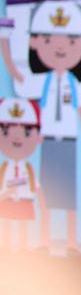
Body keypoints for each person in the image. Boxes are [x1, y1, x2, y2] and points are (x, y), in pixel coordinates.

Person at [12, 0, 81, 253]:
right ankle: (45, 240)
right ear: (35, 43)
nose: (59, 47)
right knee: (46, 193)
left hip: (69, 140)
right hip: (48, 141)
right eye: (49, 40)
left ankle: (71, 241)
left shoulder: (74, 82)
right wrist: (4, 41)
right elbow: (19, 78)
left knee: (69, 196)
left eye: (70, 41)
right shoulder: (43, 80)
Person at [0, 98, 42, 250]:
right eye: (6, 131)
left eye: (26, 132)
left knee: (23, 224)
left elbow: (36, 188)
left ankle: (24, 246)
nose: (17, 138)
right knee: (6, 222)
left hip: (25, 200)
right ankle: (5, 246)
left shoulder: (29, 168)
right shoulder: (5, 167)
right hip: (8, 200)